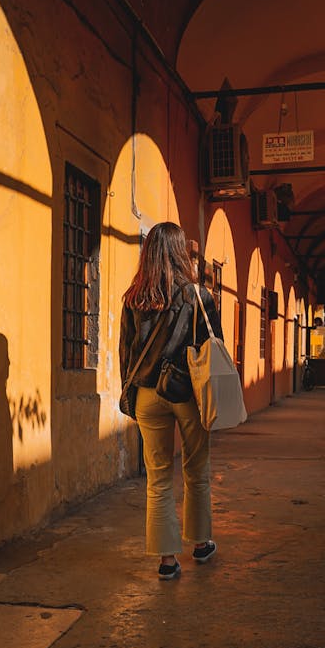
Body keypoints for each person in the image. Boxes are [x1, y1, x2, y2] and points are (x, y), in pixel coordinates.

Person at [119, 222, 223, 580]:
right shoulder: (199, 296)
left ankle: (166, 561)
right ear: (182, 253)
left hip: (148, 395)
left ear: (148, 253)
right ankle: (200, 543)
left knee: (158, 477)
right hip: (188, 395)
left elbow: (126, 352)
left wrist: (129, 395)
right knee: (197, 470)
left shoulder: (133, 297)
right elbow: (214, 347)